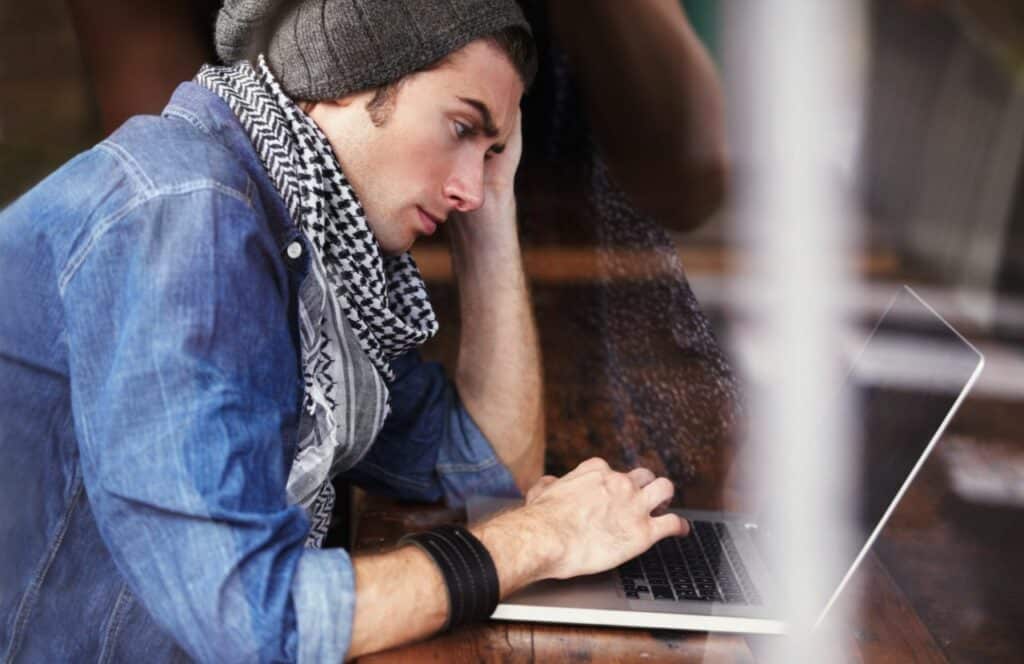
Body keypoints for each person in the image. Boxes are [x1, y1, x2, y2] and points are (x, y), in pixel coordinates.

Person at [0, 1, 688, 661]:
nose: (468, 189)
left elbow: (485, 468)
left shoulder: (319, 259)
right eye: (459, 127)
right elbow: (250, 621)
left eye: (492, 153)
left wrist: (494, 210)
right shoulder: (189, 221)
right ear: (345, 75)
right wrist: (535, 541)